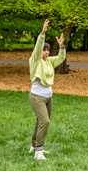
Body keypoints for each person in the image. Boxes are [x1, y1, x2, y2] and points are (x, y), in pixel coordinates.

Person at [28, 19, 67, 161]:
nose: (45, 52)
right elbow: (37, 48)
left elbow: (60, 59)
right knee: (45, 121)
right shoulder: (35, 60)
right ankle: (39, 151)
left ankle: (33, 145)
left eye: (47, 50)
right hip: (36, 97)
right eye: (44, 50)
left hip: (48, 97)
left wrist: (61, 47)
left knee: (41, 121)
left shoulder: (49, 61)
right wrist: (42, 34)